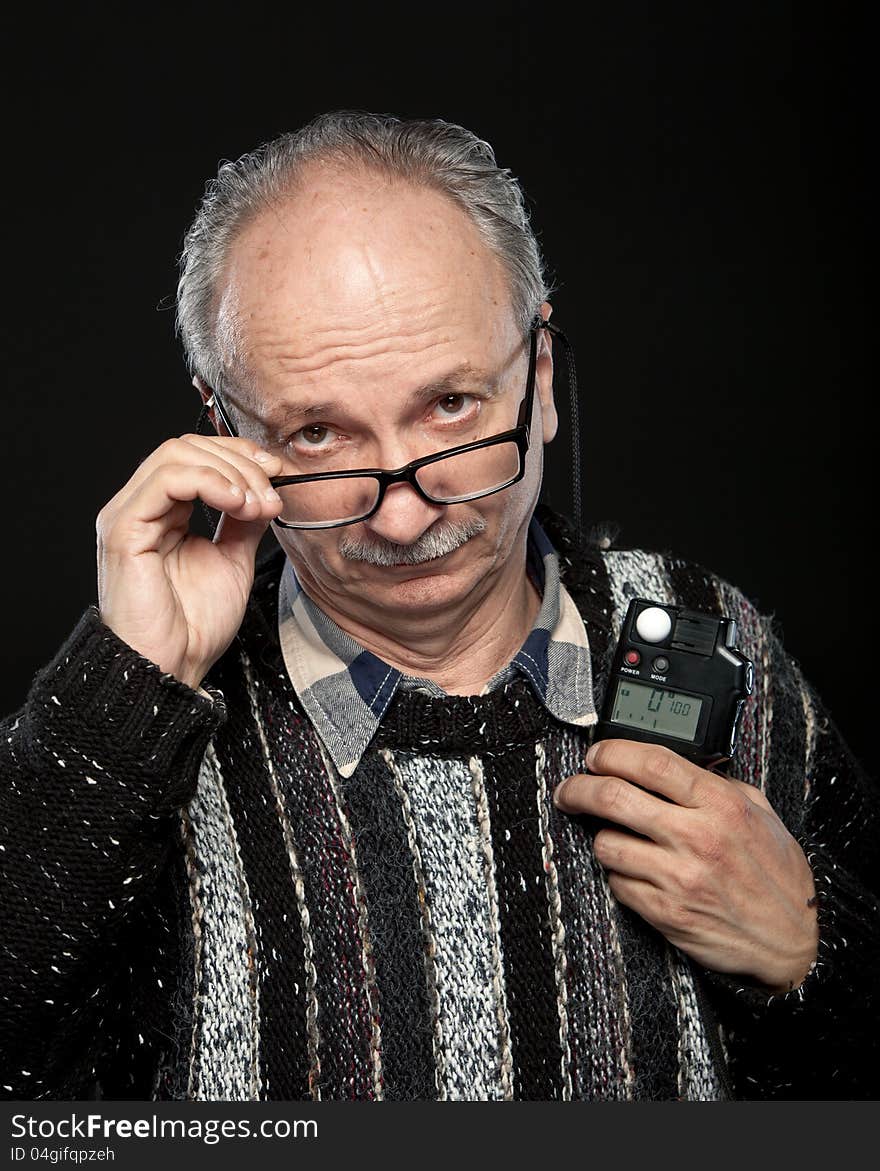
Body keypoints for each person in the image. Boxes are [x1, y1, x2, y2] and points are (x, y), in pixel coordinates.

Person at [1, 111, 877, 1103]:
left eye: (451, 406)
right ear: (225, 430)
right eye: (320, 433)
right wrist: (124, 687)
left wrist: (816, 954)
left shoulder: (714, 638)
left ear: (539, 381)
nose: (408, 511)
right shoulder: (138, 715)